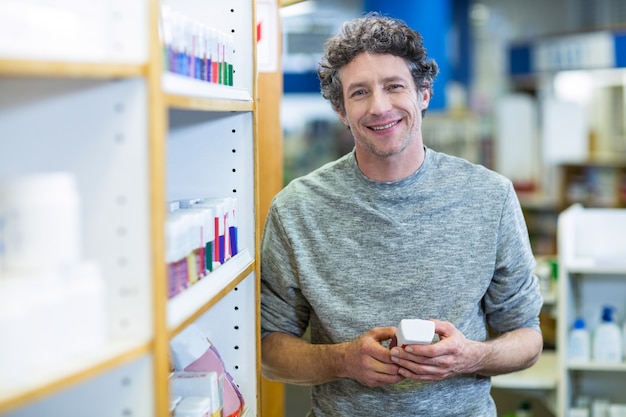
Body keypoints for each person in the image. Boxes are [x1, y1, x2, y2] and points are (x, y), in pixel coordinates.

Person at [260, 12, 543, 417]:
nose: (379, 107)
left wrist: (470, 356)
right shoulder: (297, 208)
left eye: (394, 86)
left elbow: (527, 337)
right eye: (359, 93)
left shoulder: (489, 197)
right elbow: (270, 350)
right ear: (341, 110)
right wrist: (342, 361)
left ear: (423, 94)